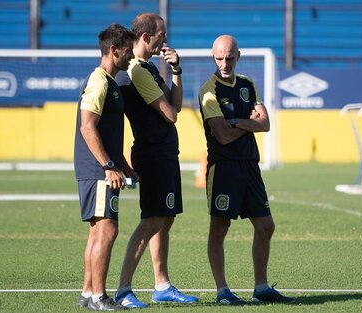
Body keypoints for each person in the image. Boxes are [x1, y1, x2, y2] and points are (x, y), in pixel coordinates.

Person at [198, 35, 296, 305]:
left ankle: (261, 288)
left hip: (250, 166)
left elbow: (265, 124)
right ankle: (222, 292)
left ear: (238, 56)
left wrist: (236, 122)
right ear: (213, 57)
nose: (224, 63)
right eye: (219, 58)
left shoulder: (247, 85)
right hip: (224, 168)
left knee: (266, 226)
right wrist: (246, 123)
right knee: (220, 227)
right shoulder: (208, 90)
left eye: (229, 57)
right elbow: (222, 136)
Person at [113, 13, 198, 308]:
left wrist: (176, 71)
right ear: (147, 37)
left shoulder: (149, 66)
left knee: (165, 218)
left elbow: (175, 104)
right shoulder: (137, 70)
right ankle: (123, 289)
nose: (165, 39)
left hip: (164, 153)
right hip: (152, 154)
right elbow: (171, 114)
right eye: (161, 34)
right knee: (151, 221)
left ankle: (161, 285)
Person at [74, 23, 136, 311]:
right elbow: (88, 127)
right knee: (108, 230)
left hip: (103, 168)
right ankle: (100, 297)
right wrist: (109, 166)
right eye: (127, 52)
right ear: (114, 50)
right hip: (98, 171)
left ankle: (88, 293)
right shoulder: (99, 81)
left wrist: (124, 166)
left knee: (98, 232)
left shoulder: (109, 82)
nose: (131, 57)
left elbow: (107, 134)